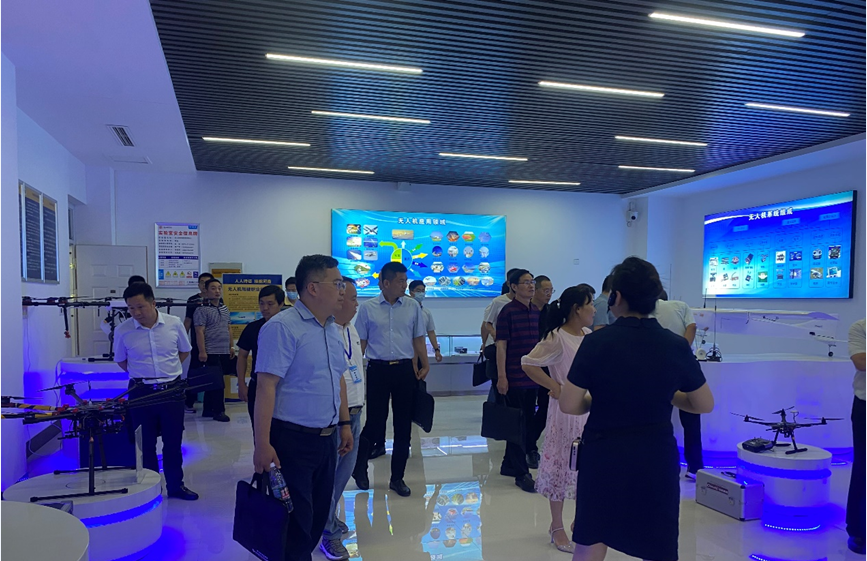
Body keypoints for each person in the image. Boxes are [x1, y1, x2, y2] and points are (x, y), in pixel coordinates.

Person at [559, 257, 714, 561]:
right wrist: (667, 395)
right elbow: (704, 404)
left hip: (604, 454)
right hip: (655, 456)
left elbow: (569, 403)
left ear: (616, 297)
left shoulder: (596, 342)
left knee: (593, 536)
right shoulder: (674, 345)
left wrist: (601, 400)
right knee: (657, 541)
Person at [253, 255, 353, 561]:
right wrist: (262, 444)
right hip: (292, 440)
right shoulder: (282, 327)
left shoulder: (330, 328)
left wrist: (344, 424)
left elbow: (337, 378)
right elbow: (265, 386)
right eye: (337, 283)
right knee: (295, 523)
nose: (342, 290)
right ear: (312, 288)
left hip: (327, 440)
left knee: (317, 517)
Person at [522, 285, 595, 553]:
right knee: (562, 466)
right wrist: (554, 385)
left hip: (588, 409)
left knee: (587, 467)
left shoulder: (588, 336)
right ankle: (556, 525)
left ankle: (579, 519)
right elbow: (528, 362)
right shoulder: (557, 337)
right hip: (564, 412)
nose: (594, 309)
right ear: (577, 309)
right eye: (589, 304)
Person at [114, 282, 198, 500]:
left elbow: (184, 351)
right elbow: (121, 360)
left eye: (140, 307)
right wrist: (143, 375)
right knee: (145, 443)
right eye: (131, 308)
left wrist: (167, 372)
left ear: (153, 303)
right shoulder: (124, 330)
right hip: (141, 392)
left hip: (171, 391)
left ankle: (176, 486)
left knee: (173, 441)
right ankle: (151, 490)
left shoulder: (174, 323)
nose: (136, 313)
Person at [352, 262, 429, 497]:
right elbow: (361, 343)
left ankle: (397, 478)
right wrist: (355, 373)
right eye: (400, 281)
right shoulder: (368, 308)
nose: (405, 285)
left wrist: (425, 363)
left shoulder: (412, 306)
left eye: (405, 281)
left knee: (403, 426)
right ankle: (359, 465)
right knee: (375, 423)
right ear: (385, 283)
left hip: (405, 370)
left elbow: (418, 338)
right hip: (378, 370)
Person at [320, 278, 365, 561]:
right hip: (339, 417)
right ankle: (328, 533)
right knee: (331, 477)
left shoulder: (351, 329)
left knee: (341, 476)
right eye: (352, 298)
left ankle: (327, 519)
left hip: (356, 411)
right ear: (338, 301)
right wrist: (344, 421)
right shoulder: (326, 333)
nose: (356, 304)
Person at [495, 269, 540, 493]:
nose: (531, 286)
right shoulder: (507, 312)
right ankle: (522, 474)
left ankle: (508, 464)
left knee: (525, 423)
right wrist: (502, 376)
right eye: (525, 282)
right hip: (514, 377)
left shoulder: (536, 311)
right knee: (517, 427)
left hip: (533, 377)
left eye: (532, 282)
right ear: (513, 287)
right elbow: (501, 346)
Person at [652, 290, 702, 479]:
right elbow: (692, 327)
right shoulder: (681, 306)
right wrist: (682, 350)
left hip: (657, 365)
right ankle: (695, 468)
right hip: (684, 365)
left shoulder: (648, 308)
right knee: (691, 419)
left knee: (657, 417)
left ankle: (659, 464)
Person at [236, 284, 285, 429]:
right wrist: (241, 384)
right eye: (262, 303)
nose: (265, 308)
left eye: (270, 304)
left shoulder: (288, 328)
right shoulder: (253, 328)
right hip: (257, 385)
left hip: (283, 386)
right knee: (259, 429)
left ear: (281, 304)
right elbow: (242, 356)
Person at [192, 278, 233, 422]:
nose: (217, 291)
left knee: (215, 381)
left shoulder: (224, 308)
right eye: (213, 288)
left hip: (224, 350)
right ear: (206, 290)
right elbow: (199, 331)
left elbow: (229, 328)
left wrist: (231, 346)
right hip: (210, 351)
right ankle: (219, 411)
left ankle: (208, 410)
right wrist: (202, 351)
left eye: (219, 288)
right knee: (217, 383)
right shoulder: (201, 309)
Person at [526, 275, 555, 469]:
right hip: (527, 365)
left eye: (551, 290)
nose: (549, 294)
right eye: (546, 290)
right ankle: (525, 446)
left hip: (547, 367)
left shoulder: (552, 312)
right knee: (527, 409)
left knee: (545, 407)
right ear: (535, 291)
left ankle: (531, 444)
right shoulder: (525, 310)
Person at [847, 318, 866, 554]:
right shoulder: (861, 327)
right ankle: (859, 531)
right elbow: (861, 361)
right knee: (863, 468)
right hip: (865, 405)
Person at [184, 272, 216, 412]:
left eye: (207, 282)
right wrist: (182, 340)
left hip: (214, 345)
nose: (204, 285)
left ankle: (210, 406)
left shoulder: (217, 300)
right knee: (194, 372)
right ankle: (188, 402)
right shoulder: (193, 300)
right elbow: (188, 321)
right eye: (202, 282)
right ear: (198, 285)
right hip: (197, 343)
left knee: (213, 373)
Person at [481, 268, 519, 383]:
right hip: (497, 346)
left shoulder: (529, 303)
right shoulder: (498, 302)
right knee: (498, 380)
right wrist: (486, 341)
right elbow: (486, 324)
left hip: (516, 349)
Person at [409, 280, 443, 365]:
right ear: (411, 292)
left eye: (423, 291)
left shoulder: (426, 312)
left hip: (421, 352)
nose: (421, 293)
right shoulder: (404, 311)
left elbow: (431, 332)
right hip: (406, 353)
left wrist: (436, 350)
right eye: (418, 291)